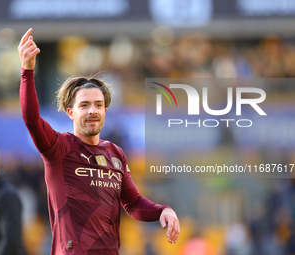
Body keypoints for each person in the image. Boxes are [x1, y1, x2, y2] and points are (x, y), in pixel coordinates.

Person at [18, 28, 180, 255]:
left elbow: (132, 203)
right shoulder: (58, 148)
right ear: (70, 112)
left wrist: (163, 210)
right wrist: (27, 71)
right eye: (84, 105)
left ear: (105, 110)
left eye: (98, 104)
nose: (92, 110)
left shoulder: (116, 153)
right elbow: (31, 120)